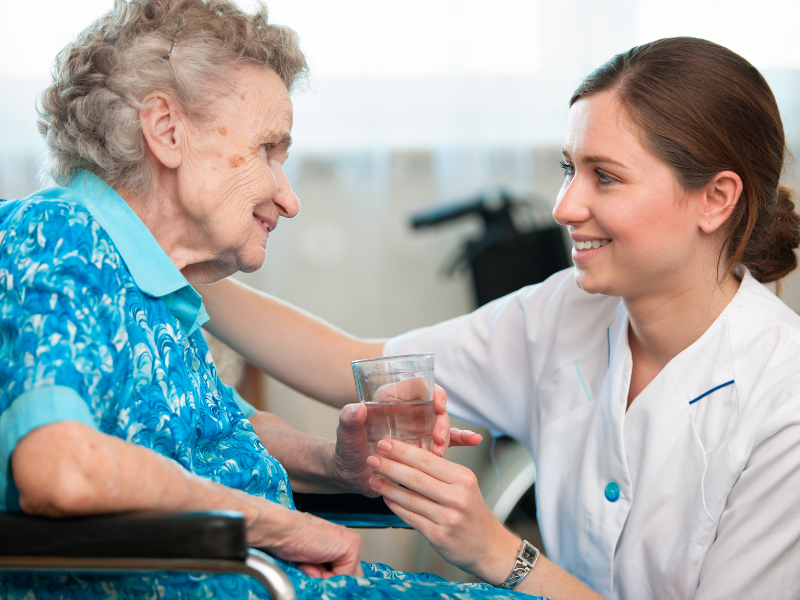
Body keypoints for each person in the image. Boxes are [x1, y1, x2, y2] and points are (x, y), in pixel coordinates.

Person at [198, 37, 800, 599]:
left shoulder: (783, 404)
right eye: (571, 168)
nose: (566, 207)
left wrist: (499, 554)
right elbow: (348, 362)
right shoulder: (569, 310)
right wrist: (175, 263)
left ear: (717, 198)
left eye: (606, 177)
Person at [0, 1, 530, 598]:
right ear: (166, 131)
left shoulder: (149, 281)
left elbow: (218, 434)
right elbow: (61, 470)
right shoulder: (55, 234)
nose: (289, 198)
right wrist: (281, 525)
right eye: (267, 152)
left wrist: (336, 465)